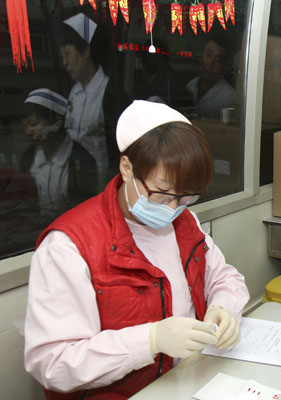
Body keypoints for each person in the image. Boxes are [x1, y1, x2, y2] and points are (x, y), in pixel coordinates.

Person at [24, 100, 250, 399]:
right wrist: (150, 340)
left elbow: (224, 277)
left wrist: (223, 308)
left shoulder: (185, 222)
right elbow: (52, 363)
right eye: (161, 194)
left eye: (186, 197)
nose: (172, 208)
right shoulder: (68, 247)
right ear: (127, 168)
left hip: (186, 381)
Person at [60, 13, 126, 189]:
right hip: (76, 181)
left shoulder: (108, 92)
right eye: (62, 56)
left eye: (67, 54)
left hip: (104, 184)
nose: (64, 62)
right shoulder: (73, 93)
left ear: (86, 51)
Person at [20, 88, 98, 222]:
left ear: (57, 123)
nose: (29, 131)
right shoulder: (28, 159)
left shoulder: (81, 161)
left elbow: (85, 209)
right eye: (25, 126)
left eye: (33, 124)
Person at [186, 34, 236, 119]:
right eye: (208, 55)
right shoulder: (191, 85)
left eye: (218, 60)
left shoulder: (229, 97)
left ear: (224, 66)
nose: (210, 63)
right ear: (201, 56)